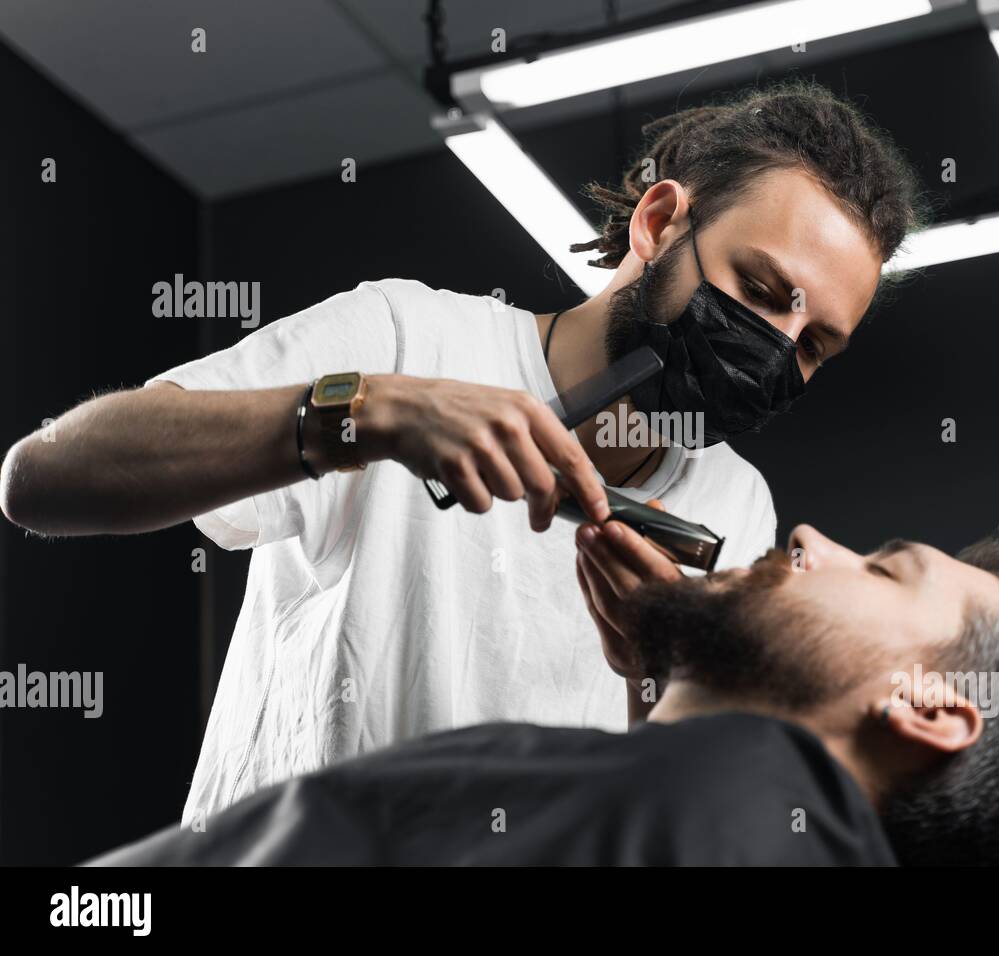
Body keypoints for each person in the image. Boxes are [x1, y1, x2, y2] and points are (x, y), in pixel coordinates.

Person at [0, 80, 924, 827]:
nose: (773, 349)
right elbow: (41, 479)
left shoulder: (735, 503)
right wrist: (366, 413)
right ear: (658, 223)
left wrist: (653, 669)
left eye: (813, 347)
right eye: (759, 290)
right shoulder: (409, 336)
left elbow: (676, 786)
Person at [87, 523, 999, 867]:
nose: (813, 537)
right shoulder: (734, 812)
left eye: (882, 566)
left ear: (930, 706)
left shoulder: (719, 796)